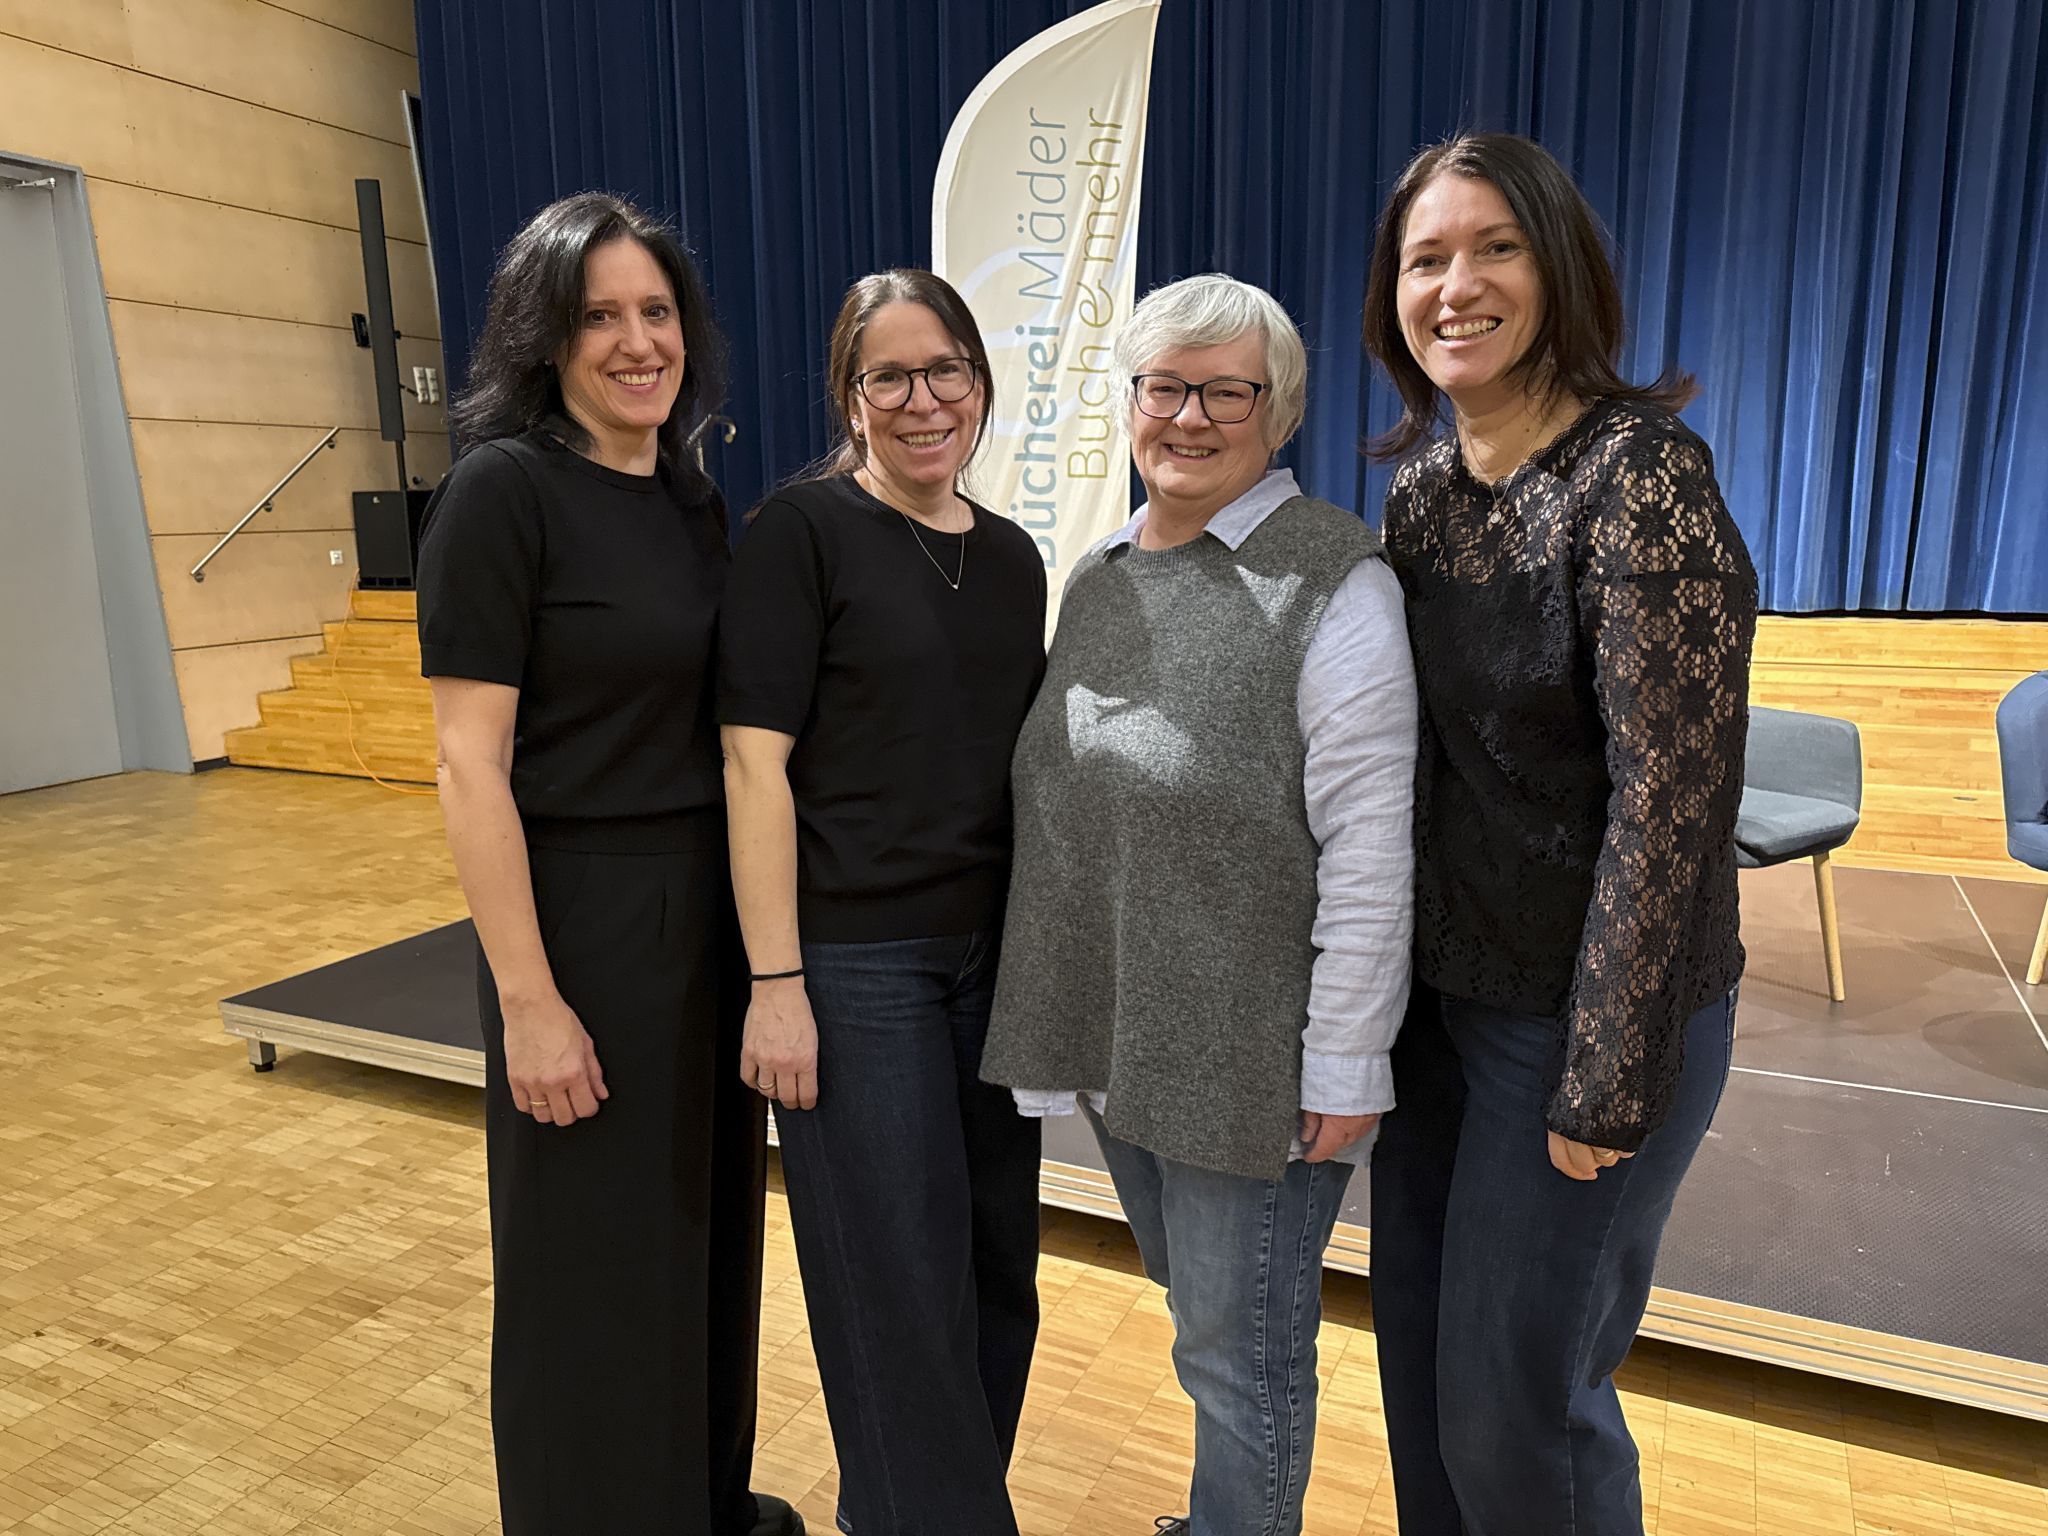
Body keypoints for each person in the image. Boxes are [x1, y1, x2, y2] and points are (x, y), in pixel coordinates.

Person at [1362, 132, 1758, 1536]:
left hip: (1586, 1019)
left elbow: (1675, 798)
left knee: (1519, 1414)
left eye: (1493, 248)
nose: (1454, 285)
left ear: (1560, 265)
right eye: (1424, 259)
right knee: (1421, 1384)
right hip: (1443, 1009)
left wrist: (1606, 1072)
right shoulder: (1419, 489)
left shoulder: (1638, 478)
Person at [980, 273, 1418, 1536]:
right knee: (1204, 1322)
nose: (1187, 416)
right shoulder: (1099, 574)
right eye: (1163, 387)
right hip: (1127, 1037)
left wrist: (1343, 1054)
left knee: (1244, 1358)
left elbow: (1371, 849)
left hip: (1253, 1059)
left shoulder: (1336, 583)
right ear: (1126, 403)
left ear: (1275, 414)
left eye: (1226, 391)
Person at [416, 192, 800, 1536]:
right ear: (545, 339)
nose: (637, 341)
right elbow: (470, 766)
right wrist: (529, 1001)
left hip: (697, 915)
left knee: (702, 1248)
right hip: (576, 924)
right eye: (600, 318)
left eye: (656, 312)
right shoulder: (498, 495)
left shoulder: (692, 499)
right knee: (589, 1273)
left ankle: (695, 1505)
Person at [718, 269, 1047, 1536]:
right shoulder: (800, 534)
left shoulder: (1013, 558)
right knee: (894, 1290)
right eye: (888, 377)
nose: (923, 401)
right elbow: (755, 764)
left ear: (978, 380)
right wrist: (776, 984)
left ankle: (913, 1514)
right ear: (850, 398)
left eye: (944, 370)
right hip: (854, 964)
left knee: (990, 1276)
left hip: (991, 965)